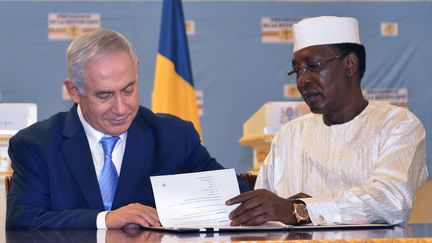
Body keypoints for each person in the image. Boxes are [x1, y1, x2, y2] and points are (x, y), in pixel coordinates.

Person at [6, 28, 250, 230]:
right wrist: (105, 219)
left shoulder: (174, 137)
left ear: (137, 71)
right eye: (104, 95)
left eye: (128, 90)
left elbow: (236, 198)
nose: (121, 108)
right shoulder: (36, 144)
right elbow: (22, 221)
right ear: (74, 91)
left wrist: (278, 206)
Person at [227, 16, 428, 226]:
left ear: (350, 64)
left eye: (313, 66)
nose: (303, 80)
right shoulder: (290, 135)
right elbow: (263, 213)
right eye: (297, 71)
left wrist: (298, 209)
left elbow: (390, 201)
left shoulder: (398, 125)